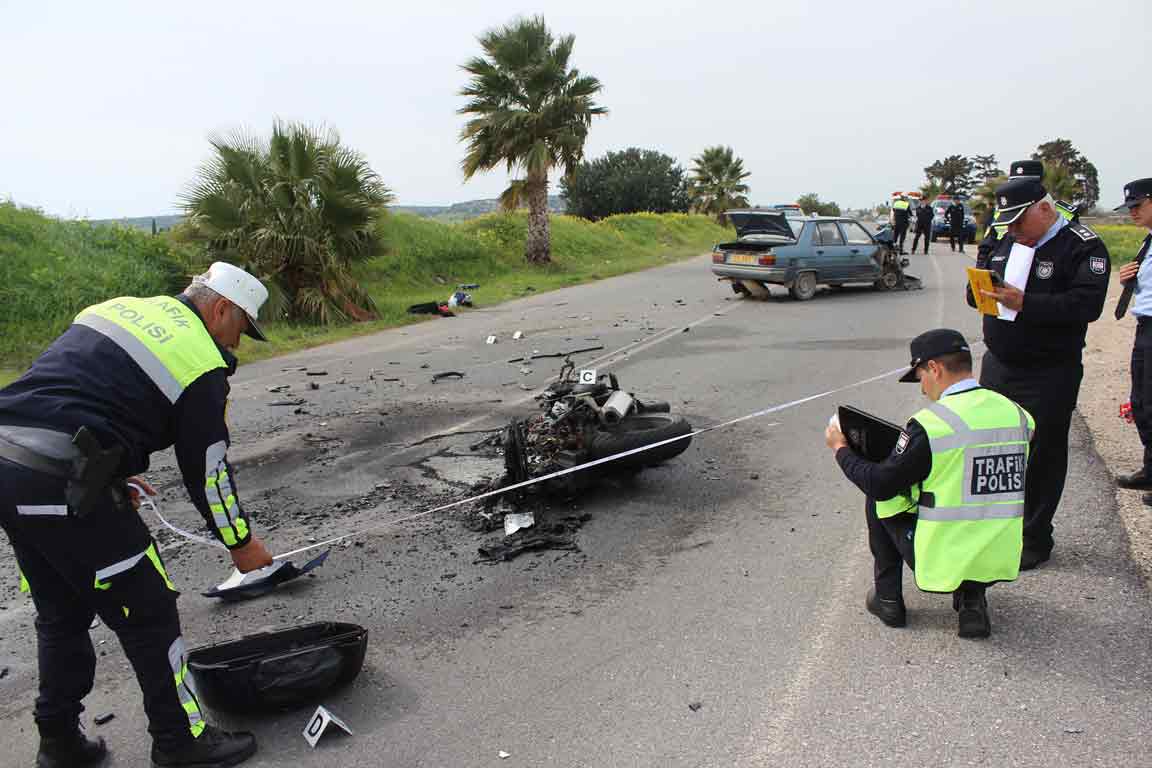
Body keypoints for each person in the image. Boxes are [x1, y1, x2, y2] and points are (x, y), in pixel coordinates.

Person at [0, 262, 274, 767]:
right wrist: (241, 543)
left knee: (61, 614)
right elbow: (207, 470)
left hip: (9, 463)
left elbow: (72, 394)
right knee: (148, 609)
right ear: (221, 309)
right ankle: (179, 742)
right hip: (63, 477)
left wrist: (106, 468)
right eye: (241, 329)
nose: (238, 344)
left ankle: (59, 744)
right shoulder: (200, 361)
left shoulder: (119, 309)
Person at [826, 329, 1033, 638]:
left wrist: (840, 449)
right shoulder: (1018, 415)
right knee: (977, 501)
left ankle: (888, 600)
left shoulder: (933, 425)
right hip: (999, 551)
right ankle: (972, 602)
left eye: (920, 376)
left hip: (945, 553)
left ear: (934, 368)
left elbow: (880, 484)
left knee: (882, 498)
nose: (922, 389)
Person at [967, 177, 1110, 569]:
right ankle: (995, 530)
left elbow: (1085, 305)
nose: (1012, 230)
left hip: (1049, 370)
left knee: (1042, 454)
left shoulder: (1081, 246)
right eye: (1007, 223)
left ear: (1044, 209)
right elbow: (978, 284)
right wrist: (980, 290)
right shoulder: (1004, 238)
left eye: (1019, 222)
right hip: (999, 364)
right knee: (995, 452)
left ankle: (1034, 537)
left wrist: (1025, 301)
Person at [1112, 179, 1152, 503]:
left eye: (1137, 206)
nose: (1132, 213)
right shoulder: (1148, 242)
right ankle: (1150, 470)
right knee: (1141, 402)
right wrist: (1130, 280)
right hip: (1145, 327)